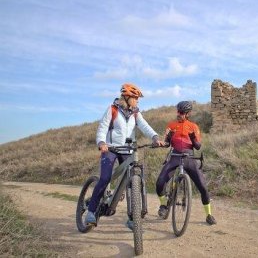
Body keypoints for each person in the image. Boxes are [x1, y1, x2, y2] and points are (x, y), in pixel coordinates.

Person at [85, 83, 164, 229]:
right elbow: (102, 127)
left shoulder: (135, 112)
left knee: (132, 180)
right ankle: (91, 211)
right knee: (105, 179)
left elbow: (144, 126)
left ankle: (133, 218)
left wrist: (154, 137)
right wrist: (102, 142)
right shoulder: (113, 109)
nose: (137, 100)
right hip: (111, 148)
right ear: (126, 97)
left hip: (127, 150)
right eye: (135, 98)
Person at [156, 101, 217, 225]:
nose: (179, 114)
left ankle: (209, 214)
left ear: (188, 114)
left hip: (189, 157)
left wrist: (193, 137)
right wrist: (164, 142)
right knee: (160, 182)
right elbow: (167, 144)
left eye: (182, 112)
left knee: (203, 187)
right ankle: (163, 205)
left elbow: (198, 146)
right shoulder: (171, 125)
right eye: (178, 111)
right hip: (174, 156)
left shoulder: (194, 126)